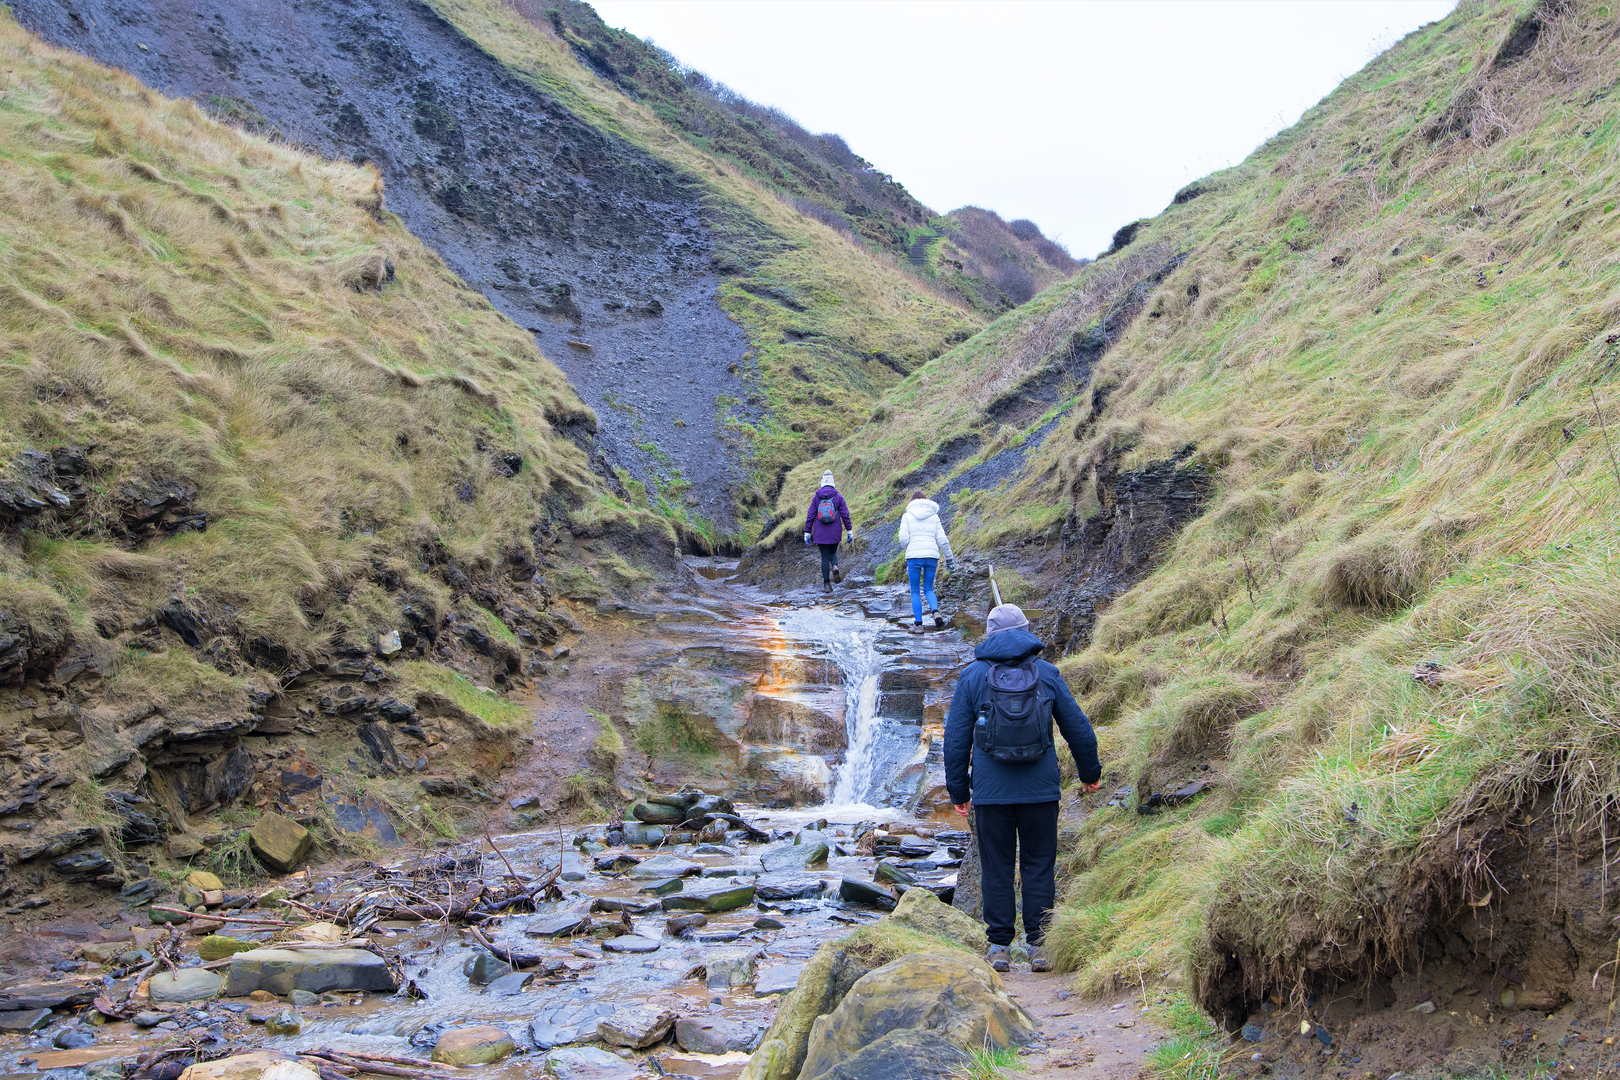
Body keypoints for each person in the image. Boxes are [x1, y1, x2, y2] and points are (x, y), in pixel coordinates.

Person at [944, 603, 1103, 974]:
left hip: (990, 792)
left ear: (989, 635)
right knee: (1038, 864)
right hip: (1041, 790)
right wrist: (1089, 773)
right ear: (1026, 630)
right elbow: (1077, 728)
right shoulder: (1046, 673)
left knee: (996, 866)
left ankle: (999, 947)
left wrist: (959, 792)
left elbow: (955, 739)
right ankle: (1040, 946)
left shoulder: (972, 677)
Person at [895, 488, 953, 635]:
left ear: (912, 502)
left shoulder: (907, 516)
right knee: (928, 588)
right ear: (926, 501)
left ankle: (919, 625)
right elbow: (942, 540)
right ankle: (936, 612)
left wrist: (907, 545)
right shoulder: (934, 516)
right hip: (931, 556)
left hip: (914, 556)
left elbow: (903, 539)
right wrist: (949, 559)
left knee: (915, 591)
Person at [803, 471, 852, 592]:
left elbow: (810, 515)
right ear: (833, 483)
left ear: (822, 482)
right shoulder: (838, 497)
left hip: (820, 532)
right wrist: (849, 530)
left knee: (824, 557)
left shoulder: (816, 497)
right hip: (835, 531)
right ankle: (835, 565)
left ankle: (827, 585)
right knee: (833, 552)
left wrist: (807, 532)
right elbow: (845, 515)